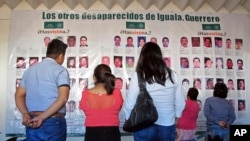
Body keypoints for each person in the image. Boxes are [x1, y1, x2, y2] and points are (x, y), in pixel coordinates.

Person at [124, 42, 185, 141]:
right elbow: (180, 102)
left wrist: (128, 118)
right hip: (167, 124)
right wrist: (177, 118)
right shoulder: (173, 75)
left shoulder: (139, 75)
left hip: (143, 124)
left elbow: (130, 102)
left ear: (143, 56)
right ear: (159, 56)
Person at [15, 39, 70, 141]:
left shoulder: (30, 70)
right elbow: (63, 98)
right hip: (53, 122)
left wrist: (25, 114)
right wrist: (42, 117)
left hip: (32, 121)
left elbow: (19, 95)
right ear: (61, 56)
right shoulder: (60, 70)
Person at [79, 64, 123, 141]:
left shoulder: (85, 94)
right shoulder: (117, 93)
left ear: (94, 77)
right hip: (112, 134)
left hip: (91, 134)